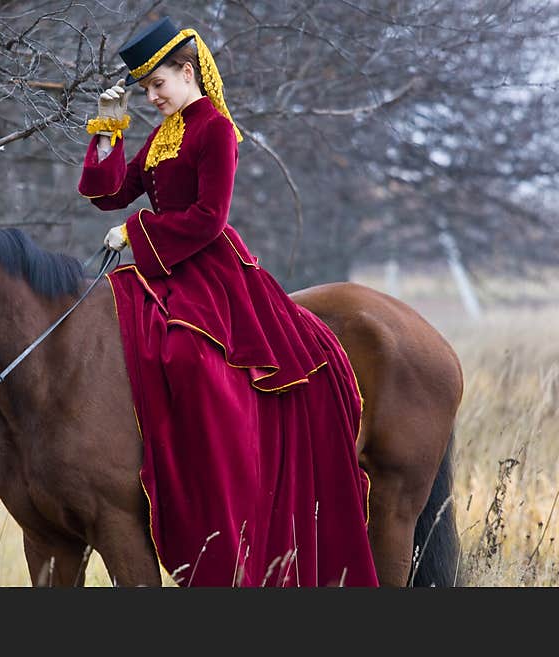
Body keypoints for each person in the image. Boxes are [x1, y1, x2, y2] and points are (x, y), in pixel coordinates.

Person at [79, 17, 379, 587]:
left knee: (191, 357)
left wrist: (136, 233)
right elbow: (109, 193)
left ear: (186, 72)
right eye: (144, 90)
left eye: (157, 85)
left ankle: (221, 482)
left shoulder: (214, 128)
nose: (152, 97)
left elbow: (209, 217)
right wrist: (107, 131)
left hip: (209, 267)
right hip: (163, 267)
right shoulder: (163, 132)